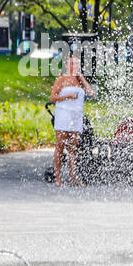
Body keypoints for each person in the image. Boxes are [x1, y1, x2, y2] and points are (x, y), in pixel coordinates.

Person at [48, 55, 95, 187]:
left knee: (73, 148)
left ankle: (73, 176)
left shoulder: (80, 80)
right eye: (71, 64)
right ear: (67, 65)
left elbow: (91, 93)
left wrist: (82, 78)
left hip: (76, 117)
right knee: (60, 146)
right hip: (63, 115)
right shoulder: (61, 79)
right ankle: (58, 178)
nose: (74, 66)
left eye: (76, 64)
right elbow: (53, 97)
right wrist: (67, 96)